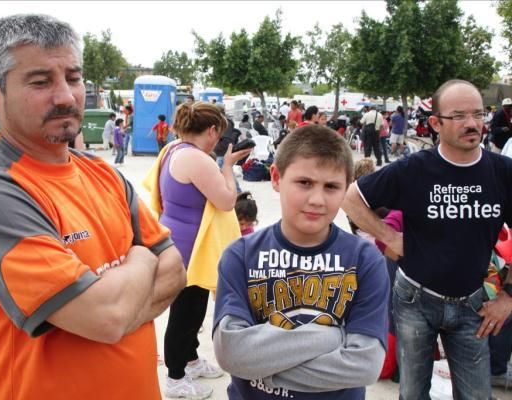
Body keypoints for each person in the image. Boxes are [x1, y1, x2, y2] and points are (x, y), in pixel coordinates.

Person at [0, 14, 185, 400]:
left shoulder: (101, 174)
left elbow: (175, 271)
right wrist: (141, 259)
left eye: (73, 78)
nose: (66, 96)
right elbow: (104, 317)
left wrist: (119, 308)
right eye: (40, 82)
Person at [343, 79, 512, 400]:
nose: (473, 123)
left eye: (479, 114)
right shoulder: (414, 169)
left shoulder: (503, 172)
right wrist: (388, 236)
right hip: (413, 301)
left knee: (477, 395)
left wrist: (509, 297)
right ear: (435, 123)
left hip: (473, 304)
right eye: (459, 116)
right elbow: (351, 198)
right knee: (413, 392)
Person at [213, 125, 390, 399]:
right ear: (276, 177)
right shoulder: (240, 256)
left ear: (346, 189)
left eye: (331, 187)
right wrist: (331, 337)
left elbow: (365, 366)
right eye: (304, 183)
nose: (317, 200)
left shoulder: (366, 261)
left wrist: (262, 367)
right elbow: (232, 353)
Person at [154, 101, 252, 399]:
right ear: (212, 130)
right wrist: (227, 167)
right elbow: (225, 201)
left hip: (178, 241)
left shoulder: (173, 149)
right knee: (185, 314)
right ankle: (175, 377)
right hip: (189, 250)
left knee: (192, 310)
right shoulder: (198, 159)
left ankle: (191, 359)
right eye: (218, 133)